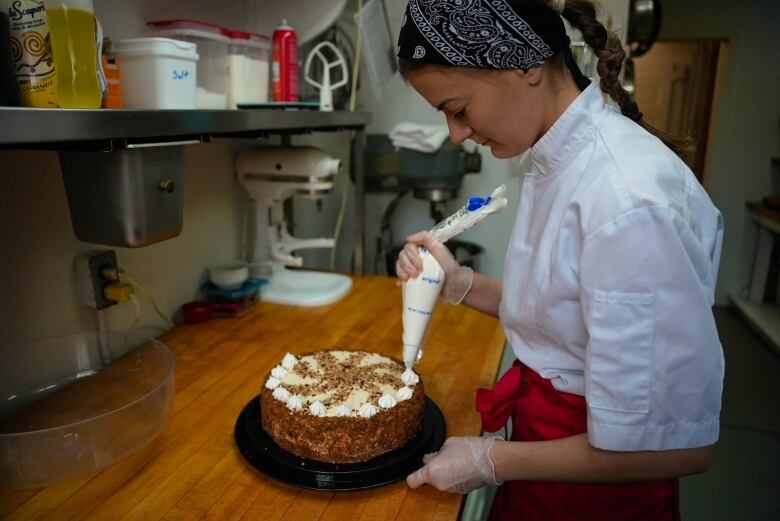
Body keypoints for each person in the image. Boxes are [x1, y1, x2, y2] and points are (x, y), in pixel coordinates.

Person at [394, 1, 725, 519]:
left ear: (524, 65)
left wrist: (492, 459)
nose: (456, 133)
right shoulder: (556, 160)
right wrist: (457, 283)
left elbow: (677, 446)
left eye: (458, 109)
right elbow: (567, 317)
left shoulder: (626, 200)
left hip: (597, 493)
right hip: (546, 456)